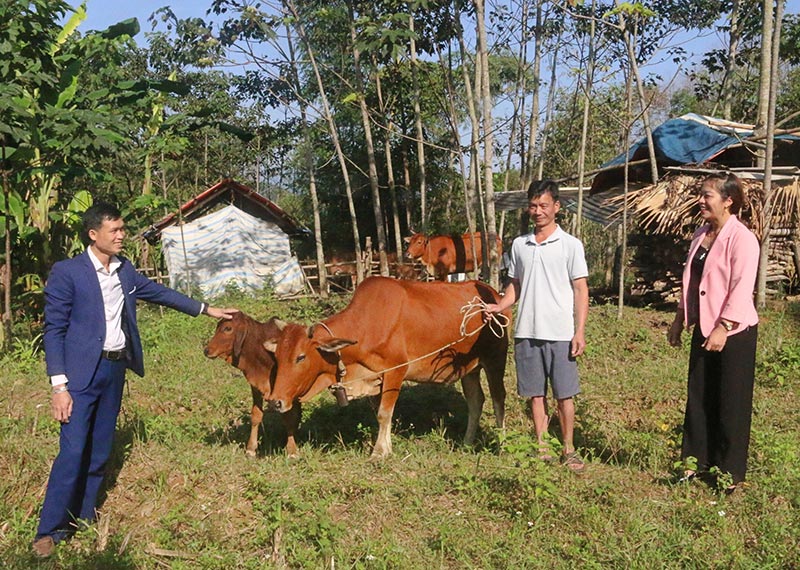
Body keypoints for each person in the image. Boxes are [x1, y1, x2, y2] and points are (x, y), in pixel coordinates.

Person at [33, 202, 238, 558]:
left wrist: (207, 309)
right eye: (114, 231)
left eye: (122, 229)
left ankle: (83, 517)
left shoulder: (125, 271)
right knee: (72, 450)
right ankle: (49, 530)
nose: (121, 236)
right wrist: (59, 387)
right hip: (80, 375)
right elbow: (54, 331)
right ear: (93, 234)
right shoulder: (68, 272)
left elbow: (160, 293)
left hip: (113, 371)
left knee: (99, 450)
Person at [485, 180, 589, 471]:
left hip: (560, 332)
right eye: (533, 205)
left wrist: (579, 330)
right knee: (535, 394)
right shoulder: (520, 245)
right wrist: (500, 305)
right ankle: (542, 446)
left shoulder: (570, 245)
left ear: (556, 207)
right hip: (527, 331)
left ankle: (568, 448)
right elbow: (515, 285)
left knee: (564, 394)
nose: (538, 211)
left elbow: (581, 289)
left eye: (544, 205)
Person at [668, 172, 759, 494]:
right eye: (701, 195)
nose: (701, 201)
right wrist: (681, 318)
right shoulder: (701, 234)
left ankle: (729, 474)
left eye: (708, 195)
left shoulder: (742, 238)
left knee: (731, 402)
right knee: (699, 396)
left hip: (734, 332)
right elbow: (692, 281)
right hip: (705, 326)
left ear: (728, 200)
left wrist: (724, 326)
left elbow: (741, 287)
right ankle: (695, 464)